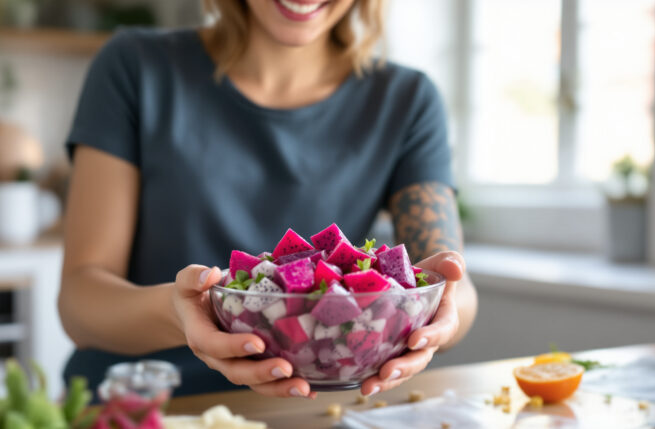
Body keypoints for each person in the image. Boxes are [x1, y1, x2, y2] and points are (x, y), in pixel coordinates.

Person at [58, 0, 478, 399]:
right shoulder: (134, 67)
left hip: (311, 408)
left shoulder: (407, 100)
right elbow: (80, 301)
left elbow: (451, 287)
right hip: (140, 404)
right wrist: (182, 314)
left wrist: (440, 314)